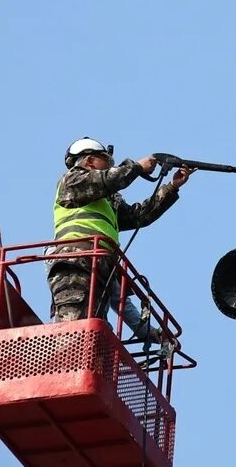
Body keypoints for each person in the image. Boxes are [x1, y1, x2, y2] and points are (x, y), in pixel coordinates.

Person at [49, 137, 194, 340]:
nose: (112, 166)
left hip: (100, 265)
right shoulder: (72, 181)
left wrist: (172, 187)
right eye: (107, 160)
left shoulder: (106, 200)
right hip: (76, 261)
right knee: (73, 328)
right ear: (90, 161)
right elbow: (109, 179)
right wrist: (137, 167)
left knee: (95, 330)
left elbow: (140, 216)